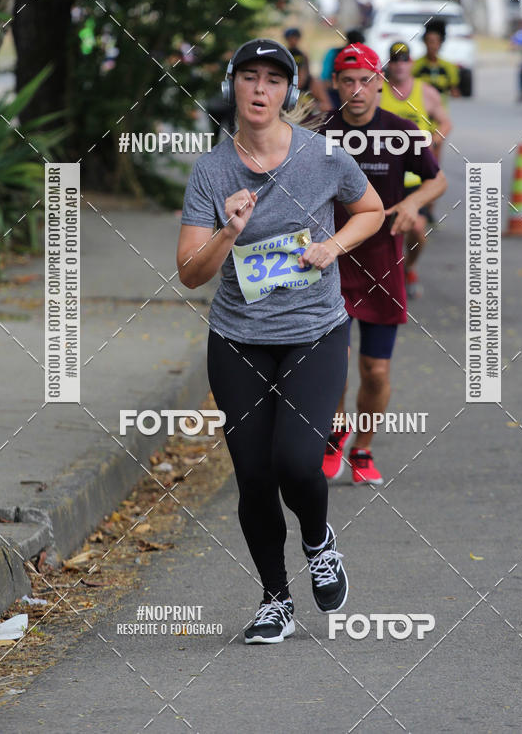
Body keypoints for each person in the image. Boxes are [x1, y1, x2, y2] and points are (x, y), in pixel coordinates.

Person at [177, 38, 384, 644]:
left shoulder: (323, 157)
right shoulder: (212, 171)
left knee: (296, 461)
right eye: (250, 77)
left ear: (288, 92)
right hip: (238, 338)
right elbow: (189, 272)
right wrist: (227, 230)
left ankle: (318, 541)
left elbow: (370, 210)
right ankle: (276, 601)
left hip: (314, 332)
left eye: (273, 79)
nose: (260, 89)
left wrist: (332, 247)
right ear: (233, 87)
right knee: (253, 475)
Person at [318, 42, 446, 484]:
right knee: (334, 366)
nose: (357, 90)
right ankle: (333, 437)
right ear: (335, 85)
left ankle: (364, 449)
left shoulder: (401, 130)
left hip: (382, 265)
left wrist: (412, 203)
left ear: (380, 83)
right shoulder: (317, 133)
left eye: (366, 81)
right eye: (348, 81)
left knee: (375, 370)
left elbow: (437, 180)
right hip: (329, 264)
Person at [380, 41, 451, 297]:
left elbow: (445, 122)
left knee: (417, 229)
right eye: (395, 61)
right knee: (380, 233)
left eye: (404, 60)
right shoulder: (377, 91)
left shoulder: (426, 92)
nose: (399, 66)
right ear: (389, 65)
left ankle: (408, 267)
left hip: (415, 178)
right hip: (383, 176)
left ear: (410, 64)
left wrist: (435, 139)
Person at [283, 26, 333, 111]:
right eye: (295, 72)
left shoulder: (313, 83)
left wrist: (310, 106)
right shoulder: (284, 85)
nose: (299, 75)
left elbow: (328, 107)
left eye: (300, 70)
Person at [412, 19, 460, 101]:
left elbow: (455, 92)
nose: (432, 46)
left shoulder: (449, 67)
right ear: (425, 42)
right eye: (429, 41)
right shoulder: (415, 65)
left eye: (435, 42)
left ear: (440, 43)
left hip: (440, 107)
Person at [321, 29, 364, 109]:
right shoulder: (334, 53)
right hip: (335, 95)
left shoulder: (333, 53)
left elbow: (324, 78)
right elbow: (325, 81)